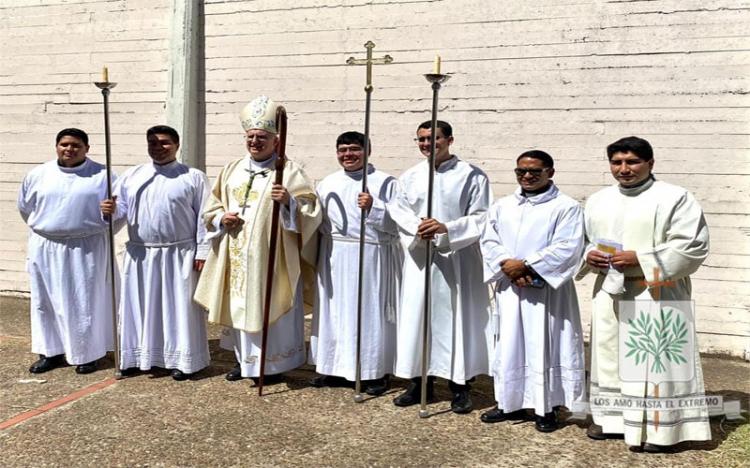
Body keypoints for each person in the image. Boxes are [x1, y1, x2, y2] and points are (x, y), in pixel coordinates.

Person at [580, 136, 711, 452]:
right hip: (610, 291)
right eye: (616, 162)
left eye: (632, 162)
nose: (623, 169)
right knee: (611, 358)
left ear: (650, 163)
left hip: (656, 292)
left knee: (653, 360)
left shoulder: (675, 197)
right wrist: (589, 255)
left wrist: (641, 258)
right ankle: (613, 422)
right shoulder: (598, 199)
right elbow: (584, 240)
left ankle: (660, 432)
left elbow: (692, 245)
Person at [194, 96, 321, 383]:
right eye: (251, 136)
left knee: (267, 307)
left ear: (276, 140)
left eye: (262, 137)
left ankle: (272, 365)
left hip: (272, 259)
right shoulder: (231, 169)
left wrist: (288, 202)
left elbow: (310, 210)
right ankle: (245, 361)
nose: (255, 142)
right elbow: (211, 207)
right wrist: (220, 219)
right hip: (236, 254)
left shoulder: (288, 171)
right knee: (238, 305)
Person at [387, 120, 492, 414]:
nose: (426, 144)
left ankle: (460, 386)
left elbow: (483, 216)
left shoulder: (472, 175)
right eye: (421, 139)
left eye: (433, 139)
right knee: (419, 319)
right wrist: (418, 227)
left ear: (449, 140)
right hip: (421, 258)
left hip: (456, 259)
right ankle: (420, 383)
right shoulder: (410, 176)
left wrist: (448, 228)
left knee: (455, 321)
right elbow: (399, 209)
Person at [479, 150, 585, 432]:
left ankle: (547, 407)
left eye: (534, 171)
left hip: (546, 292)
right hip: (510, 288)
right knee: (509, 343)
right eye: (521, 171)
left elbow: (568, 247)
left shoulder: (567, 207)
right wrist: (506, 265)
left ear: (550, 172)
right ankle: (507, 401)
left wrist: (527, 266)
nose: (527, 176)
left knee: (546, 344)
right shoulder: (503, 206)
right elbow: (488, 239)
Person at [100, 125, 210, 380]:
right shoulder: (133, 176)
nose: (158, 147)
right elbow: (119, 216)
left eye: (164, 142)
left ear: (177, 145)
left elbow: (204, 217)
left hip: (179, 253)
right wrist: (109, 211)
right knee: (138, 306)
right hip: (141, 254)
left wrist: (202, 252)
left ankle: (182, 360)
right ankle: (136, 357)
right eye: (152, 143)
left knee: (178, 308)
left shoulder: (192, 177)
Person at [308, 131, 401, 395]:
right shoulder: (327, 182)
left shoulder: (385, 183)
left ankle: (374, 372)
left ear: (367, 150)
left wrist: (375, 207)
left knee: (368, 313)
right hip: (334, 254)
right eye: (342, 150)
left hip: (370, 254)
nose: (347, 154)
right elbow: (313, 217)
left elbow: (399, 224)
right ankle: (335, 367)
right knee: (334, 314)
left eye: (354, 149)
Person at [18, 128, 115, 375]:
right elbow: (25, 208)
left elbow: (119, 212)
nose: (69, 149)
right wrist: (50, 227)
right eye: (64, 145)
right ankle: (50, 352)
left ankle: (88, 354)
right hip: (46, 245)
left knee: (84, 300)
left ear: (86, 148)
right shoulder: (39, 174)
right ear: (57, 146)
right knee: (45, 300)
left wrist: (108, 213)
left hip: (86, 246)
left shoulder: (103, 176)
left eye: (75, 145)